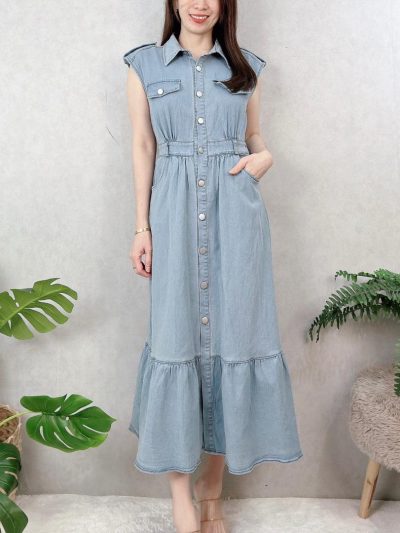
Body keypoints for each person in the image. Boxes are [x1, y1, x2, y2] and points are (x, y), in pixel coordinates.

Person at [123, 1, 303, 532]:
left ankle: (213, 492)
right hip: (173, 214)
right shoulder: (143, 65)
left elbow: (255, 137)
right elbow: (143, 145)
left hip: (237, 217)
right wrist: (141, 227)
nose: (200, 3)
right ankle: (181, 495)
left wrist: (264, 156)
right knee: (175, 340)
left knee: (234, 341)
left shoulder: (247, 68)